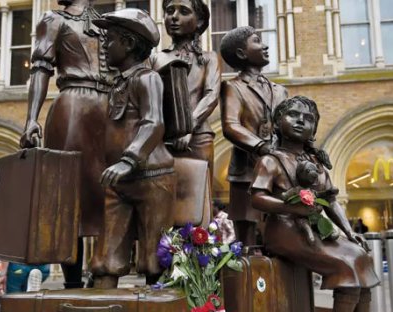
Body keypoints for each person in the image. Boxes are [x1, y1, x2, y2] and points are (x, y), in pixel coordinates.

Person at [250, 96, 380, 312]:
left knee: (361, 256)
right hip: (284, 232)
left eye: (308, 119)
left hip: (314, 229)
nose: (300, 121)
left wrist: (349, 232)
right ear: (278, 122)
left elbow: (330, 200)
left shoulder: (315, 162)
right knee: (345, 263)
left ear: (314, 129)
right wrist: (291, 209)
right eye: (293, 115)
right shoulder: (271, 160)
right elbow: (257, 198)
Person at [19, 0, 115, 289]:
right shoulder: (53, 19)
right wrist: (31, 119)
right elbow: (40, 68)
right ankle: (72, 282)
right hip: (72, 105)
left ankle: (104, 276)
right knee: (69, 195)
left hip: (110, 108)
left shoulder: (107, 24)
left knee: (109, 193)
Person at [90, 9, 176, 288]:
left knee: (156, 254)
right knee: (106, 254)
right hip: (119, 182)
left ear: (128, 44)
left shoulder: (147, 78)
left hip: (151, 177)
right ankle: (103, 306)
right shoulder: (117, 83)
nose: (104, 46)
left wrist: (128, 160)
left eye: (110, 40)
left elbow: (153, 123)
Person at [219, 26, 288, 245]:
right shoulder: (233, 87)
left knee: (283, 228)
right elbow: (230, 125)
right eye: (257, 41)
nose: (265, 45)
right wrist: (261, 147)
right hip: (246, 171)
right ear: (241, 53)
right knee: (245, 236)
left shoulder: (280, 91)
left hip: (279, 170)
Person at [150, 0, 220, 173]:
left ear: (200, 21)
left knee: (199, 194)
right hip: (162, 140)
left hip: (198, 138)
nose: (174, 17)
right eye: (170, 11)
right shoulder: (155, 59)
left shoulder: (209, 58)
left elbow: (211, 96)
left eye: (183, 11)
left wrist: (188, 128)